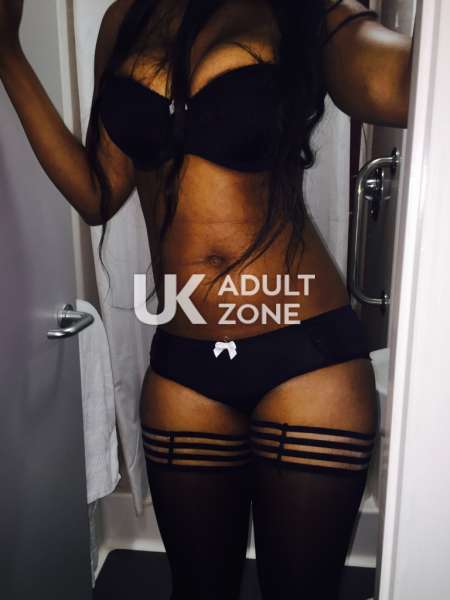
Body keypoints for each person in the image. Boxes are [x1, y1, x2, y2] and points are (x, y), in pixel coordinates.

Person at [0, 0, 413, 597]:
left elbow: (394, 82)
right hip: (186, 364)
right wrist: (8, 53)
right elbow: (97, 193)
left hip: (306, 359)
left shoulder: (306, 12)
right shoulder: (127, 18)